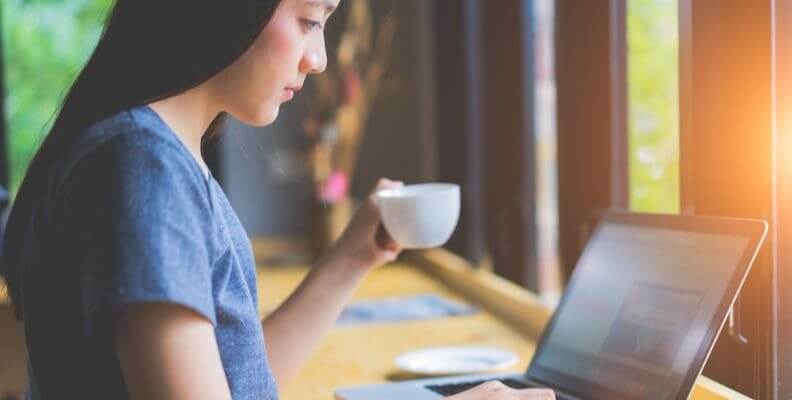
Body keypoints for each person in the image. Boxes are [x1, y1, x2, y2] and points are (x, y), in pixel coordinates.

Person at [0, 0, 556, 399]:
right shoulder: (142, 165)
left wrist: (353, 257)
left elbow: (241, 379)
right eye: (310, 21)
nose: (318, 58)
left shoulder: (154, 152)